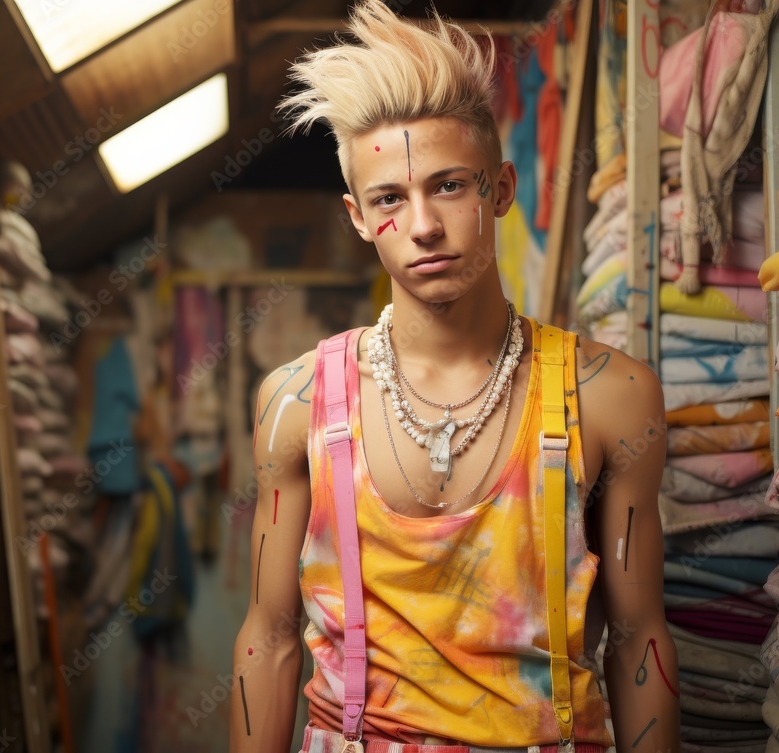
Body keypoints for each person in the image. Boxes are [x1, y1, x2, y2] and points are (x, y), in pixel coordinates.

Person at [230, 2, 680, 751]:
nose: (423, 225)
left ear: (500, 190)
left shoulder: (610, 397)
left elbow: (639, 638)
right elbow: (269, 637)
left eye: (447, 186)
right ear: (356, 216)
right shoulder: (295, 403)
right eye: (389, 199)